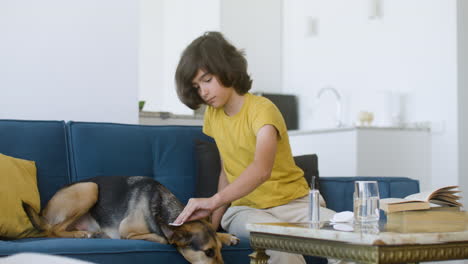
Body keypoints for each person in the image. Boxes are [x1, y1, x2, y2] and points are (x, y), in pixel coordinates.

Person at [172, 31, 335, 264]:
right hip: (245, 210)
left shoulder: (263, 110)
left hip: (294, 203)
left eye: (207, 80)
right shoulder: (212, 116)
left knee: (353, 237)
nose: (203, 92)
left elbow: (261, 169)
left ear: (227, 69)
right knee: (280, 242)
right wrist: (213, 225)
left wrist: (212, 201)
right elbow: (227, 171)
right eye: (197, 87)